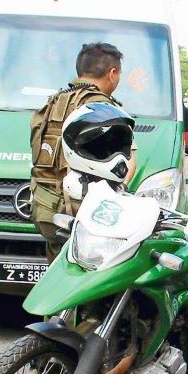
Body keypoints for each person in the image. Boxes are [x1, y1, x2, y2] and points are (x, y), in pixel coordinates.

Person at [30, 42, 137, 263]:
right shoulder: (103, 110)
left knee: (58, 273)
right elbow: (128, 163)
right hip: (84, 214)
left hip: (46, 210)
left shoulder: (53, 102)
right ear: (112, 73)